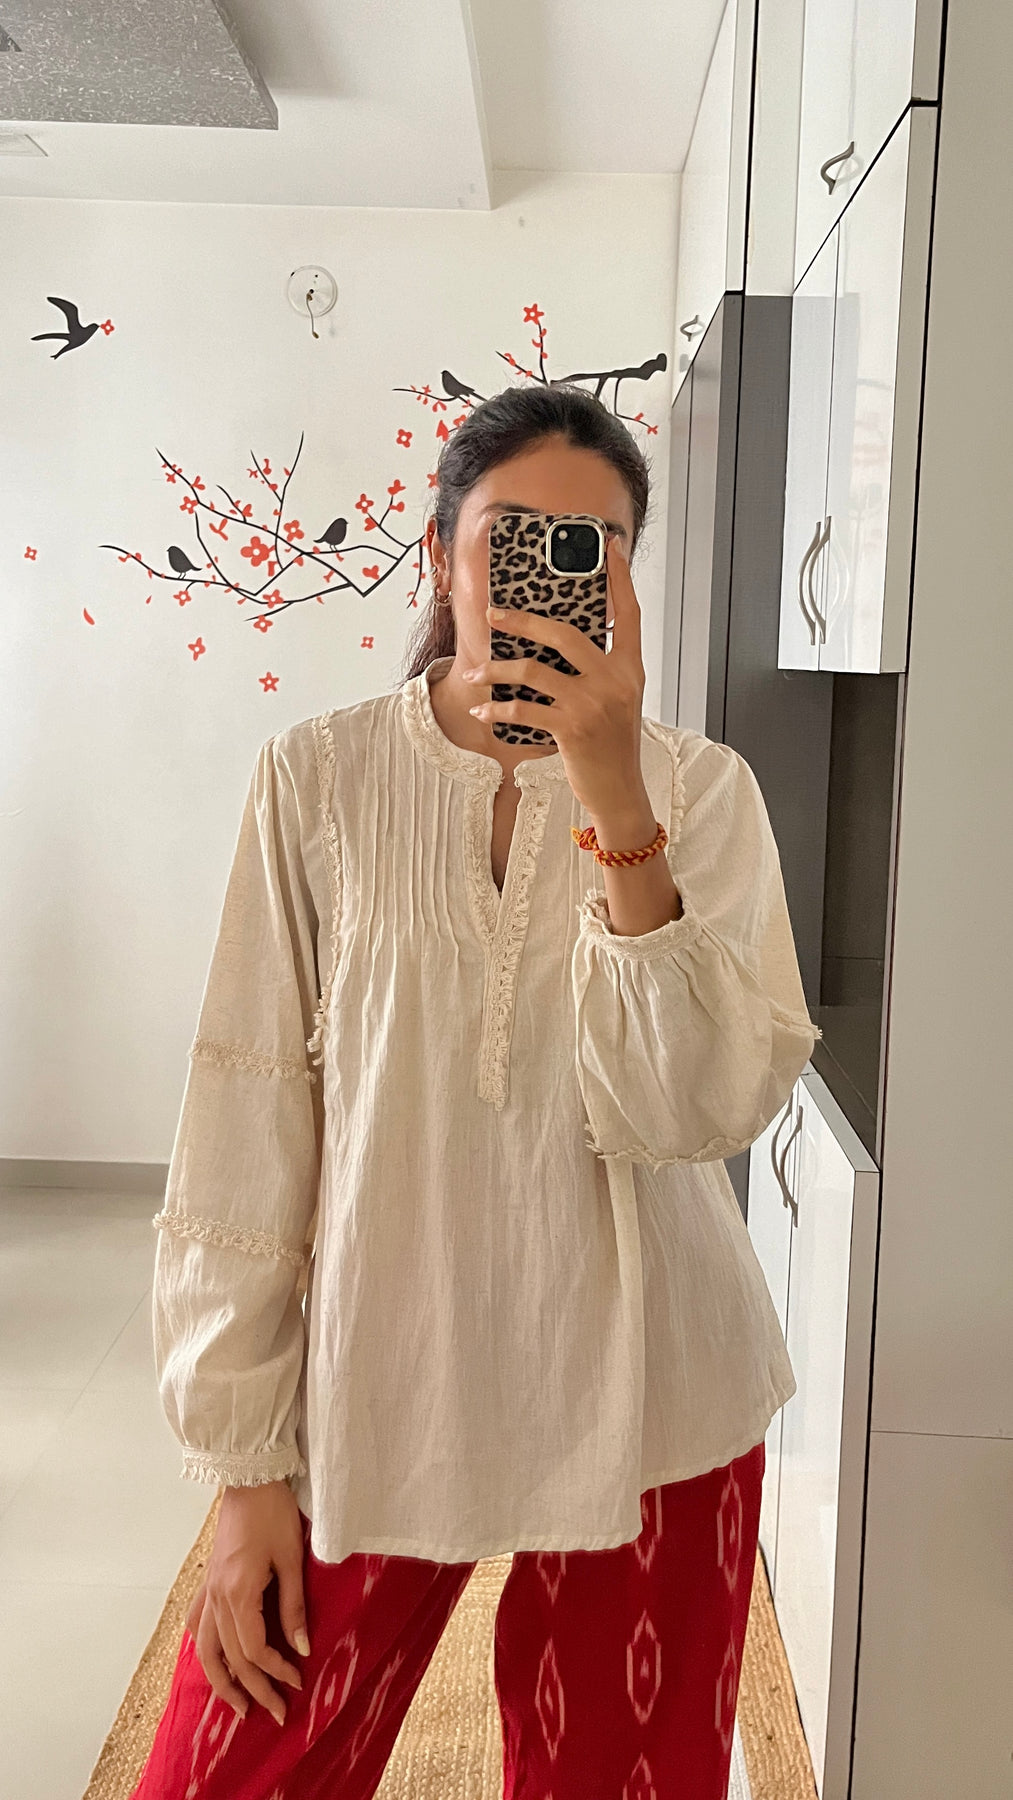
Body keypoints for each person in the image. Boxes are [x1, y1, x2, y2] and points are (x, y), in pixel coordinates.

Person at [130, 382, 821, 1800]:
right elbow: (247, 1117)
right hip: (384, 1373)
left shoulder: (704, 793)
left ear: (626, 580)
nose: (548, 571)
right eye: (514, 534)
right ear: (442, 551)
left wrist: (616, 799)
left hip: (657, 1390)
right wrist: (245, 1470)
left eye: (591, 546)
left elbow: (690, 1114)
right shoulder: (315, 777)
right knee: (231, 1766)